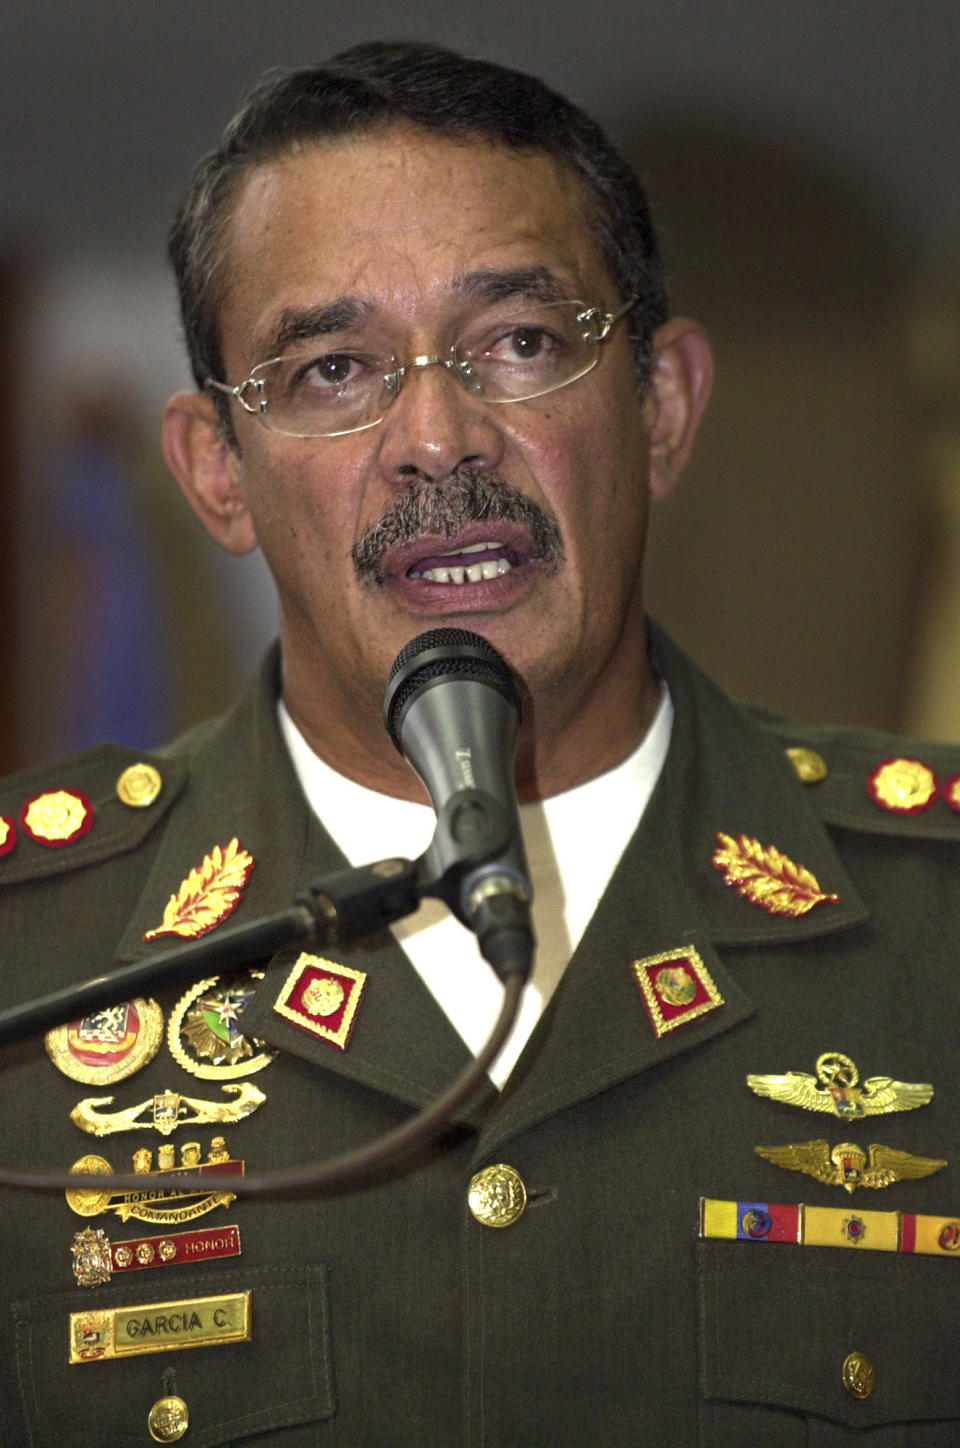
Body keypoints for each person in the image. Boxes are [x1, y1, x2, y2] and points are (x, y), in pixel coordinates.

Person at [2, 40, 960, 1448]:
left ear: (663, 410)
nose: (438, 441)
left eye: (518, 343)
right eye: (333, 368)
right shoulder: (34, 962)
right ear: (217, 474)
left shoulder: (933, 923)